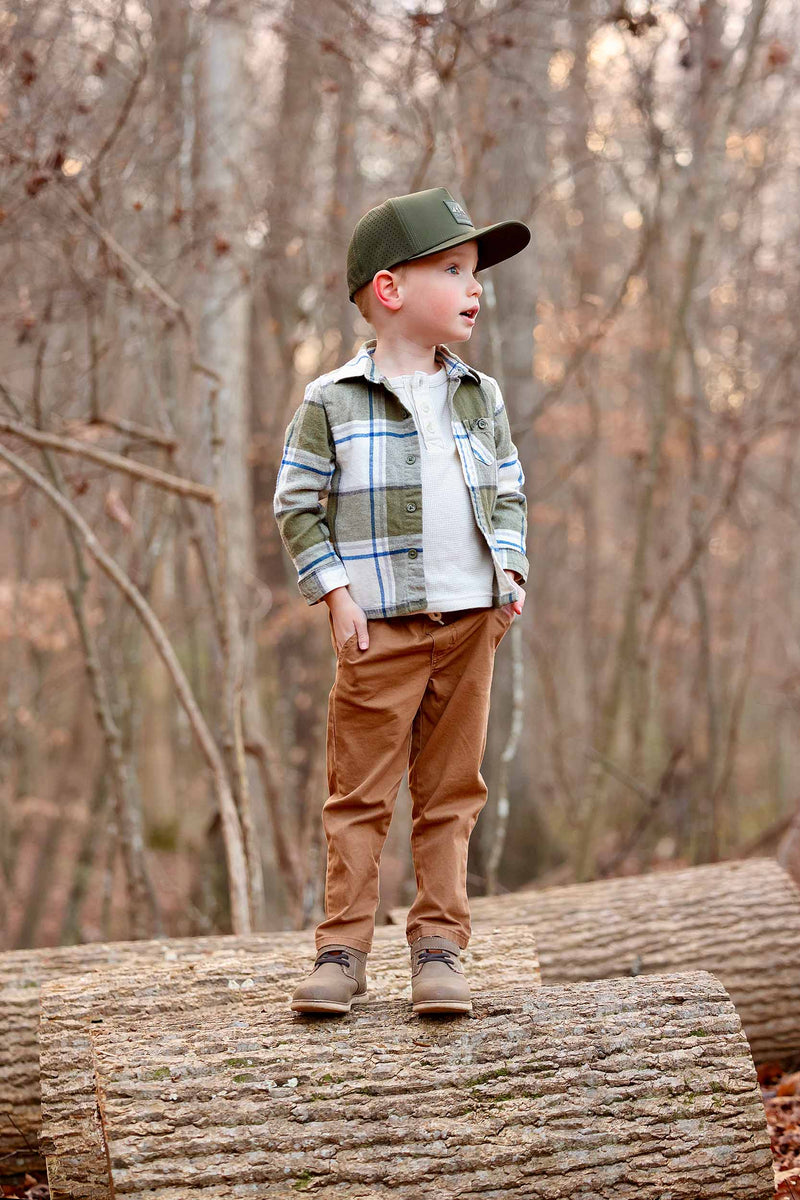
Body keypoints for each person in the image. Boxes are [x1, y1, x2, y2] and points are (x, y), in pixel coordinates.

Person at [273, 185, 531, 1016]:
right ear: (390, 290)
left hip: (469, 624)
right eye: (454, 269)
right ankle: (341, 951)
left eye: (476, 272)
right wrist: (337, 595)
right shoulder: (333, 402)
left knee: (453, 791)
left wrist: (512, 575)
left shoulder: (478, 395)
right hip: (375, 630)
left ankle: (441, 949)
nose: (475, 286)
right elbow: (296, 505)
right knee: (360, 794)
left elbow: (510, 491)